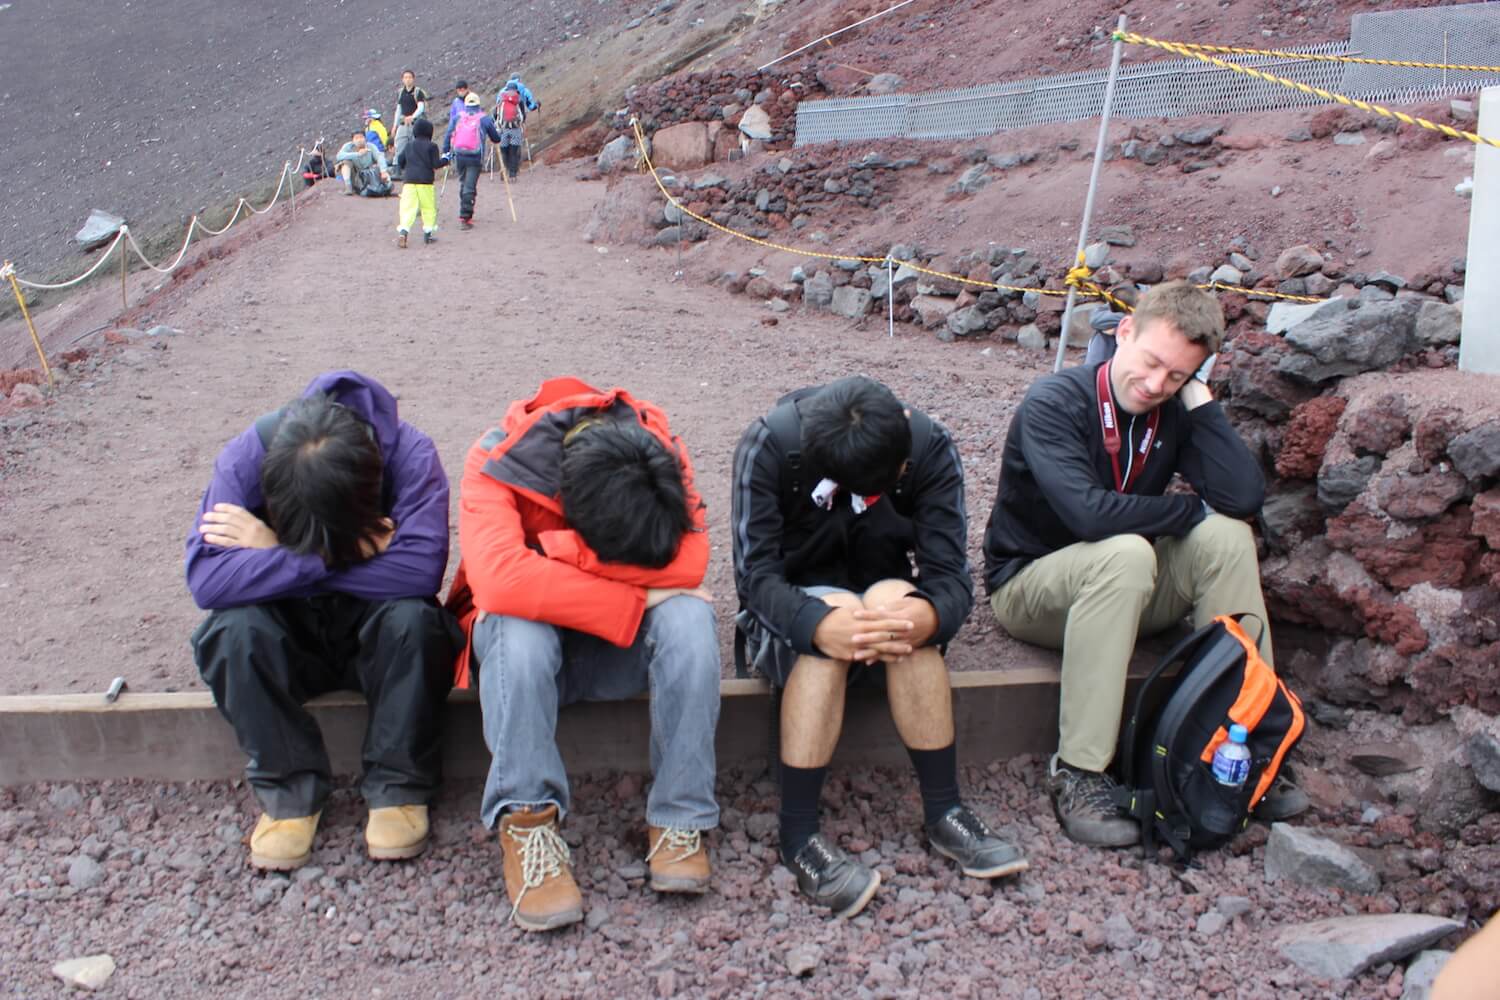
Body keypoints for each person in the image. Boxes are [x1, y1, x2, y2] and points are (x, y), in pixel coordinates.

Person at [983, 280, 1283, 848]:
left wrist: (1200, 403)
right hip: (1031, 589)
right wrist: (1184, 509)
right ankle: (1080, 771)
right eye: (1151, 362)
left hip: (1127, 589)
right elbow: (1089, 515)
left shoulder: (1172, 408)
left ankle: (1246, 747)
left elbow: (1242, 497)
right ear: (1124, 331)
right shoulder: (1055, 402)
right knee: (1126, 550)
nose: (1154, 385)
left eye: (1176, 375)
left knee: (1227, 536)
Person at [732, 375, 1027, 920]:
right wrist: (816, 624)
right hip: (793, 617)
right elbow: (755, 578)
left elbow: (950, 577)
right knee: (832, 620)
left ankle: (944, 810)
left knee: (900, 611)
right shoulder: (771, 444)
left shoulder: (929, 446)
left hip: (885, 606)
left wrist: (927, 617)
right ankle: (798, 834)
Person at [446, 377, 720, 933]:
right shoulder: (494, 458)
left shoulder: (659, 450)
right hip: (522, 663)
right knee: (516, 627)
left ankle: (680, 818)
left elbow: (691, 564)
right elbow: (498, 584)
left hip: (611, 650)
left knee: (690, 618)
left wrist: (553, 554)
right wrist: (633, 592)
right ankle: (527, 824)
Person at [186, 371, 460, 872]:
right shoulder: (247, 455)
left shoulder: (411, 455)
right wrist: (331, 555)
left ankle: (398, 787)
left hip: (373, 636)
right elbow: (207, 580)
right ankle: (289, 793)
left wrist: (271, 552)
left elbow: (420, 571)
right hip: (287, 635)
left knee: (416, 620)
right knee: (231, 631)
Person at [443, 93, 504, 229]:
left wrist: (446, 151)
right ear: (478, 104)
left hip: (459, 155)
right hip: (475, 157)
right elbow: (496, 138)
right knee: (470, 186)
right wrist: (498, 133)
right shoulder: (484, 118)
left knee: (464, 182)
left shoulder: (458, 117)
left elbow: (448, 134)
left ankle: (465, 210)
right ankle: (465, 217)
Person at [395, 118, 448, 248]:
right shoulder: (432, 146)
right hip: (425, 181)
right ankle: (427, 234)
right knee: (428, 207)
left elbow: (400, 161)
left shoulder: (409, 145)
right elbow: (435, 164)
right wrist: (446, 159)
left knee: (407, 208)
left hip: (409, 181)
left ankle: (403, 232)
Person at [390, 70, 429, 178]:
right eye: (405, 77)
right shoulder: (400, 92)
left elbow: (421, 107)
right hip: (403, 123)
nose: (408, 79)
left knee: (416, 146)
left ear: (413, 79)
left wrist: (412, 116)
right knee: (399, 145)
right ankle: (397, 170)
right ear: (402, 79)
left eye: (410, 77)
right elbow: (398, 109)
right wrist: (395, 125)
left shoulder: (418, 92)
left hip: (416, 124)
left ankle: (418, 170)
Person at [334, 130, 392, 197]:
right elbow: (339, 156)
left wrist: (383, 171)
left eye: (361, 137)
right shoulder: (348, 146)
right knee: (345, 162)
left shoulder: (371, 146)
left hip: (369, 175)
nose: (359, 140)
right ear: (352, 141)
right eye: (356, 138)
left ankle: (386, 185)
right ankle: (348, 187)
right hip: (355, 176)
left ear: (365, 138)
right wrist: (357, 154)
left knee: (382, 168)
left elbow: (379, 157)